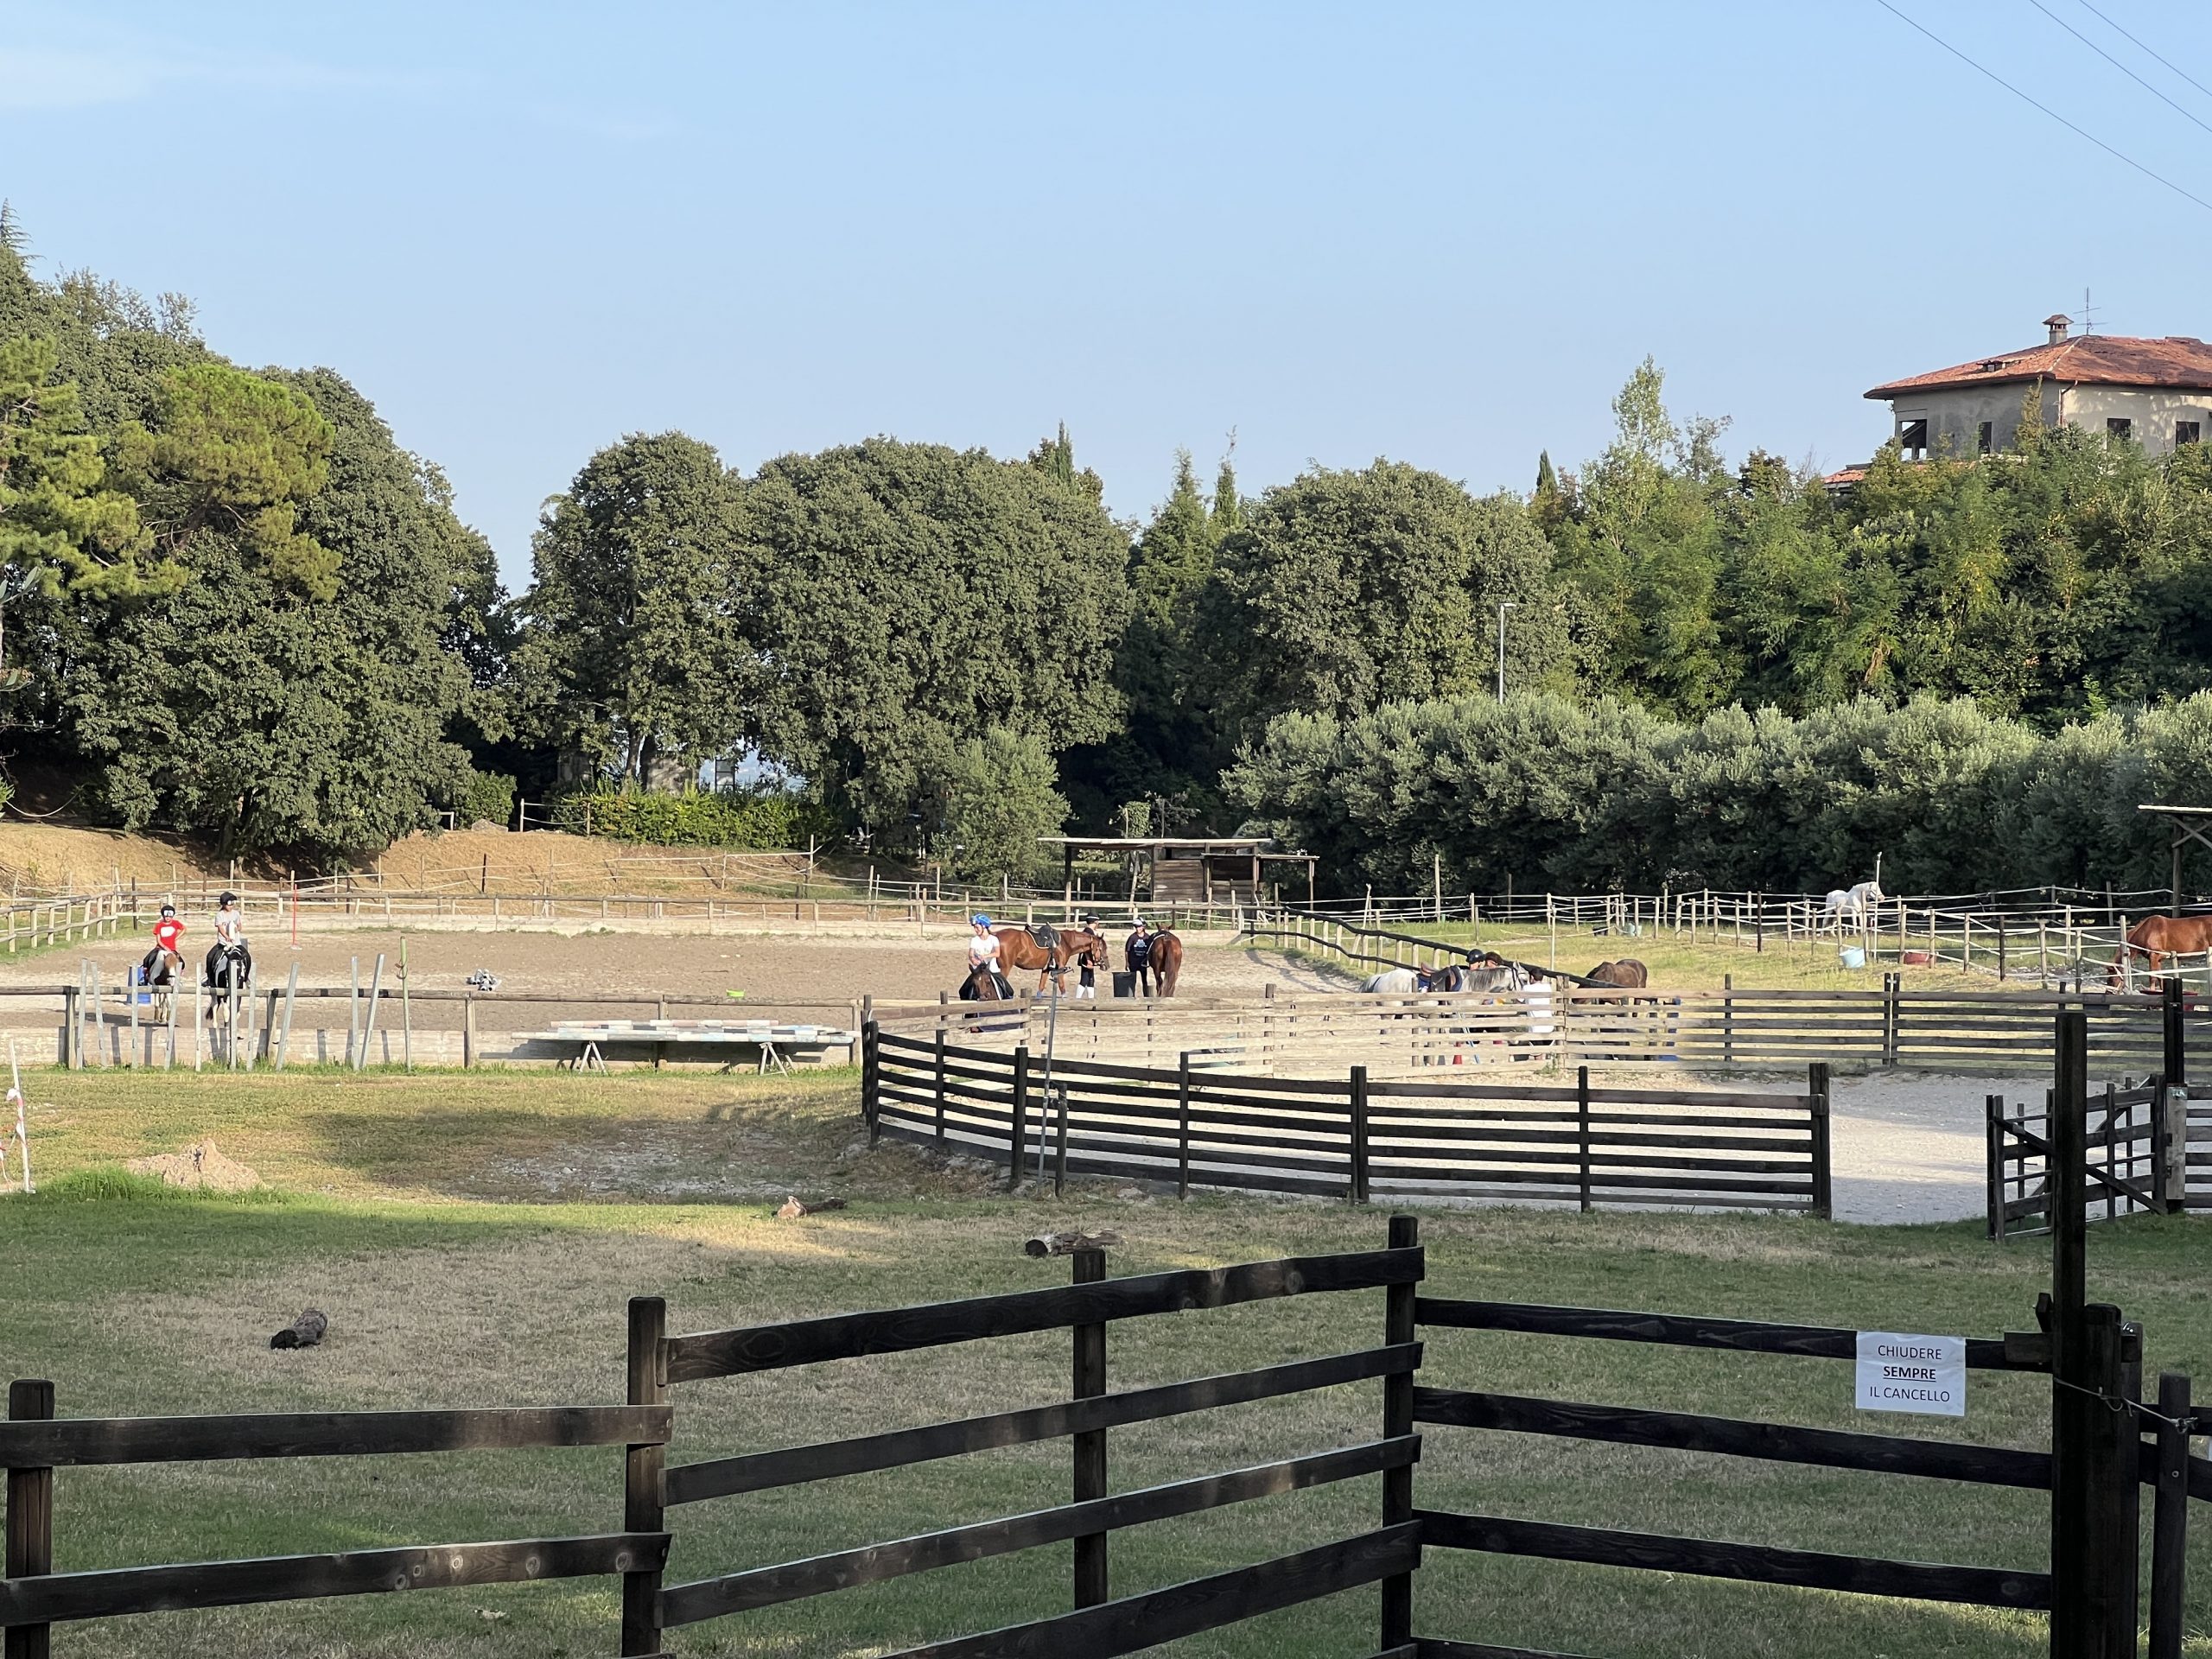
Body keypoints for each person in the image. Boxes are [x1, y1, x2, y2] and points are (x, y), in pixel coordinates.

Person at [139, 903, 185, 988]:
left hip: (172, 949)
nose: (168, 918)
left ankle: (178, 978)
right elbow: (158, 940)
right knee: (147, 960)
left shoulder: (176, 923)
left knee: (182, 962)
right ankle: (145, 978)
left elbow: (184, 929)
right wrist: (164, 947)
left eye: (170, 917)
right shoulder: (159, 925)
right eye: (166, 916)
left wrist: (176, 938)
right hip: (160, 948)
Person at [968, 913, 1011, 998]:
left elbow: (997, 953)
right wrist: (973, 960)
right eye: (975, 928)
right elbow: (971, 954)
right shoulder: (974, 940)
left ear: (984, 926)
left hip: (992, 970)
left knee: (1009, 991)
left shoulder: (993, 939)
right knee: (963, 990)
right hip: (978, 970)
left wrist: (985, 956)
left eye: (977, 927)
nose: (975, 930)